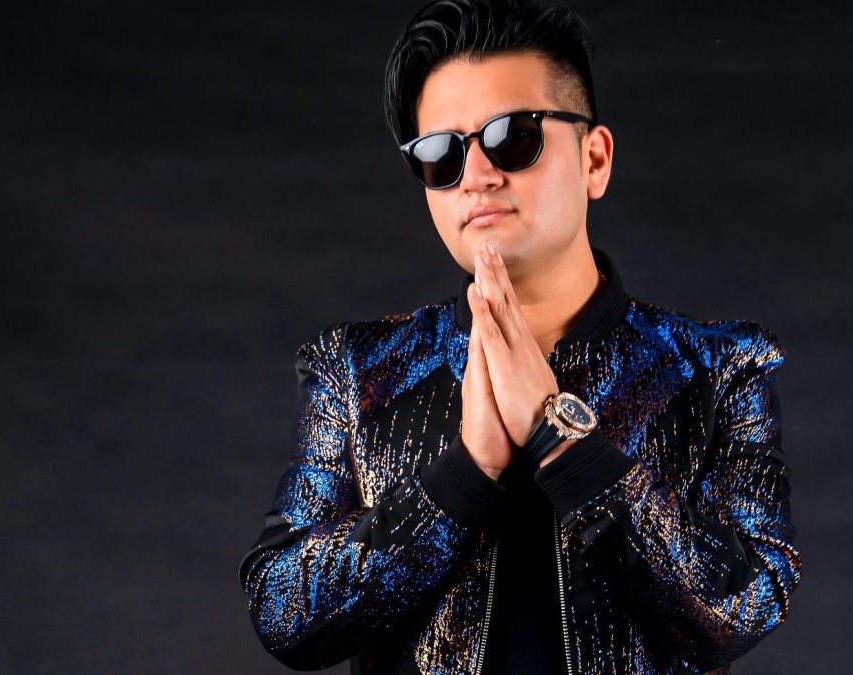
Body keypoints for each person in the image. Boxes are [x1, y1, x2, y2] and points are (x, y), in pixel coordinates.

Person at [237, 0, 801, 672]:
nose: (477, 175)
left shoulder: (716, 368)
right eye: (441, 154)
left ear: (594, 159)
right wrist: (466, 472)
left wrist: (561, 440)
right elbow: (283, 612)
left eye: (513, 137)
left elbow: (746, 603)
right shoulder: (359, 370)